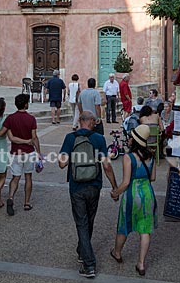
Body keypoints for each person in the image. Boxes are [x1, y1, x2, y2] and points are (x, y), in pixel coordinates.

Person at [58, 111, 118, 279]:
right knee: (89, 220)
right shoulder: (99, 139)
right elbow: (106, 166)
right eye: (95, 121)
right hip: (94, 186)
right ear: (91, 122)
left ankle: (87, 261)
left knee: (81, 223)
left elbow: (62, 164)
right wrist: (114, 186)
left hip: (77, 187)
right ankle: (85, 257)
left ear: (80, 121)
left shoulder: (70, 138)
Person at [110, 124, 157, 276]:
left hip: (132, 194)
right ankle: (141, 264)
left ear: (134, 140)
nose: (129, 139)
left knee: (124, 225)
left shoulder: (128, 157)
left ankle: (117, 253)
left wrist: (115, 193)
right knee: (145, 231)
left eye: (131, 137)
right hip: (148, 194)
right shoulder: (151, 155)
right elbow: (153, 178)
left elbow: (125, 182)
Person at [0, 93, 42, 215]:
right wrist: (38, 152)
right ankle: (26, 203)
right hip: (28, 152)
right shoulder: (31, 119)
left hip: (15, 153)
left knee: (15, 178)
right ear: (26, 104)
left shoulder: (10, 118)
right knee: (28, 177)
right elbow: (34, 137)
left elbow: (11, 138)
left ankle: (10, 197)